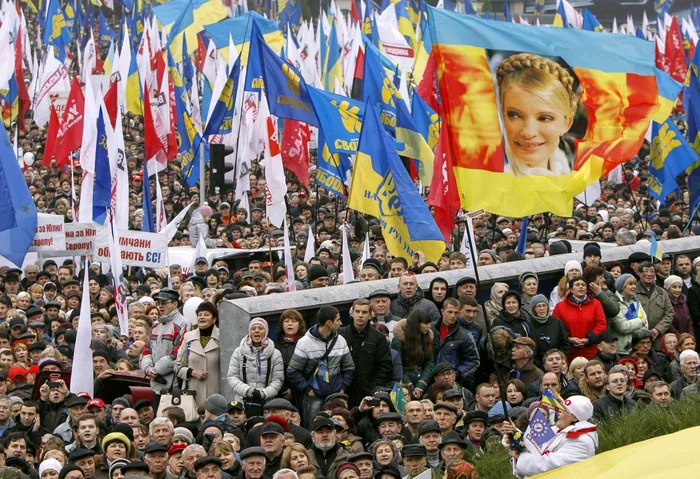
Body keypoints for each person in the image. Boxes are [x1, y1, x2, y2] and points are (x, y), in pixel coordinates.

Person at [497, 52, 577, 177]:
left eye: (544, 118)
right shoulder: (488, 189)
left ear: (567, 124)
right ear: (503, 115)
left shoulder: (571, 177)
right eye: (514, 115)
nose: (528, 132)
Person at [287, 306, 354, 428]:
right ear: (329, 323)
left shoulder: (341, 341)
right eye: (338, 320)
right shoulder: (305, 343)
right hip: (314, 397)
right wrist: (308, 390)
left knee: (339, 429)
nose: (341, 323)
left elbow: (349, 367)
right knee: (314, 428)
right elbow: (293, 371)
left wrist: (343, 387)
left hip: (336, 395)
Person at [515, 396, 598, 476]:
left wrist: (520, 458)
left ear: (574, 417)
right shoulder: (558, 430)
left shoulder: (581, 441)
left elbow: (548, 466)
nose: (558, 413)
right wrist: (513, 436)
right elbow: (534, 446)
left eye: (563, 410)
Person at [339, 299, 392, 408]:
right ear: (352, 313)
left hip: (369, 390)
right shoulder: (341, 335)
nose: (360, 315)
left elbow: (385, 365)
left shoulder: (378, 338)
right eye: (357, 311)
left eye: (364, 312)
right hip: (344, 390)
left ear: (370, 315)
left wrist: (374, 386)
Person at [227, 317, 284, 413]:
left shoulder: (275, 354)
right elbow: (232, 377)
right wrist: (248, 391)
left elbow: (278, 381)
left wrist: (263, 393)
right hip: (242, 403)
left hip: (267, 405)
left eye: (260, 328)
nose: (257, 331)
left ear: (266, 331)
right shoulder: (238, 352)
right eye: (253, 329)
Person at [174, 302, 221, 402]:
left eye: (206, 314)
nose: (202, 317)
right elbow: (177, 366)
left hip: (216, 396)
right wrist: (192, 372)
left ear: (214, 319)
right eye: (200, 315)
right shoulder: (188, 337)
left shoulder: (222, 337)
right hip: (192, 396)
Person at [432, 298, 480, 389]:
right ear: (442, 311)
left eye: (456, 313)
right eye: (450, 312)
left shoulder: (465, 335)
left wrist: (457, 373)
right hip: (430, 379)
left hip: (453, 383)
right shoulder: (431, 329)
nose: (453, 316)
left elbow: (474, 361)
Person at [391, 310, 436, 399]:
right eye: (425, 323)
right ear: (417, 324)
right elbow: (398, 366)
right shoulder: (399, 341)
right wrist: (410, 386)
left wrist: (421, 385)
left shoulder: (427, 340)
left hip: (423, 383)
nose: (429, 326)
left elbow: (430, 363)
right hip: (404, 385)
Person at [636, 262, 674, 347]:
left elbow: (669, 314)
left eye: (652, 271)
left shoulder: (662, 293)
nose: (649, 274)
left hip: (658, 338)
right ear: (639, 273)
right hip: (638, 337)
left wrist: (658, 329)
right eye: (646, 271)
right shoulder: (633, 292)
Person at [611, 274, 649, 355]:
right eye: (630, 284)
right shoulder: (615, 302)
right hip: (622, 350)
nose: (634, 286)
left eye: (635, 284)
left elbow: (646, 325)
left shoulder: (636, 302)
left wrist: (638, 323)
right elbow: (623, 327)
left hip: (638, 349)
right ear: (622, 286)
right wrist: (639, 322)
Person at [528, 295, 570, 367]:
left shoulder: (557, 322)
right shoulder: (528, 325)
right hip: (537, 365)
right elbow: (529, 350)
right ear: (533, 309)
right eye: (538, 306)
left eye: (544, 305)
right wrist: (542, 365)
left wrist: (558, 360)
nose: (542, 308)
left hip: (557, 363)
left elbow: (565, 344)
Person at [274, 310, 305, 403]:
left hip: (302, 392)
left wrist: (295, 391)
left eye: (294, 321)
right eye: (286, 321)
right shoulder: (274, 345)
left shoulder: (306, 343)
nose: (290, 324)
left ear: (300, 325)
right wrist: (283, 390)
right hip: (280, 393)